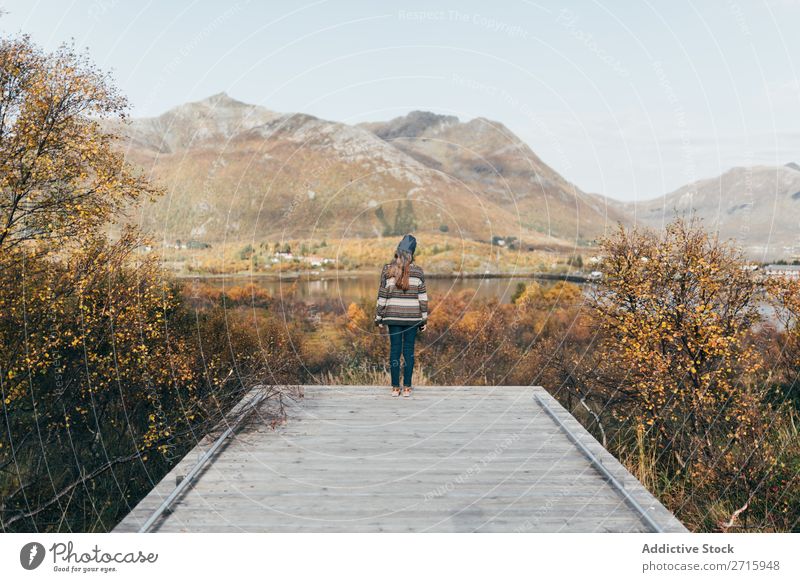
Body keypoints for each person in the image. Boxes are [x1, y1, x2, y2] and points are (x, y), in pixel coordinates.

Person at [374, 233, 428, 397]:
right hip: (412, 319)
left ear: (397, 252)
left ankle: (395, 388)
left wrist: (379, 317)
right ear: (412, 254)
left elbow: (382, 296)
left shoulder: (387, 270)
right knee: (409, 351)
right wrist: (423, 319)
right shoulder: (418, 272)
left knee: (395, 351)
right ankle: (407, 388)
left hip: (393, 317)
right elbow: (423, 298)